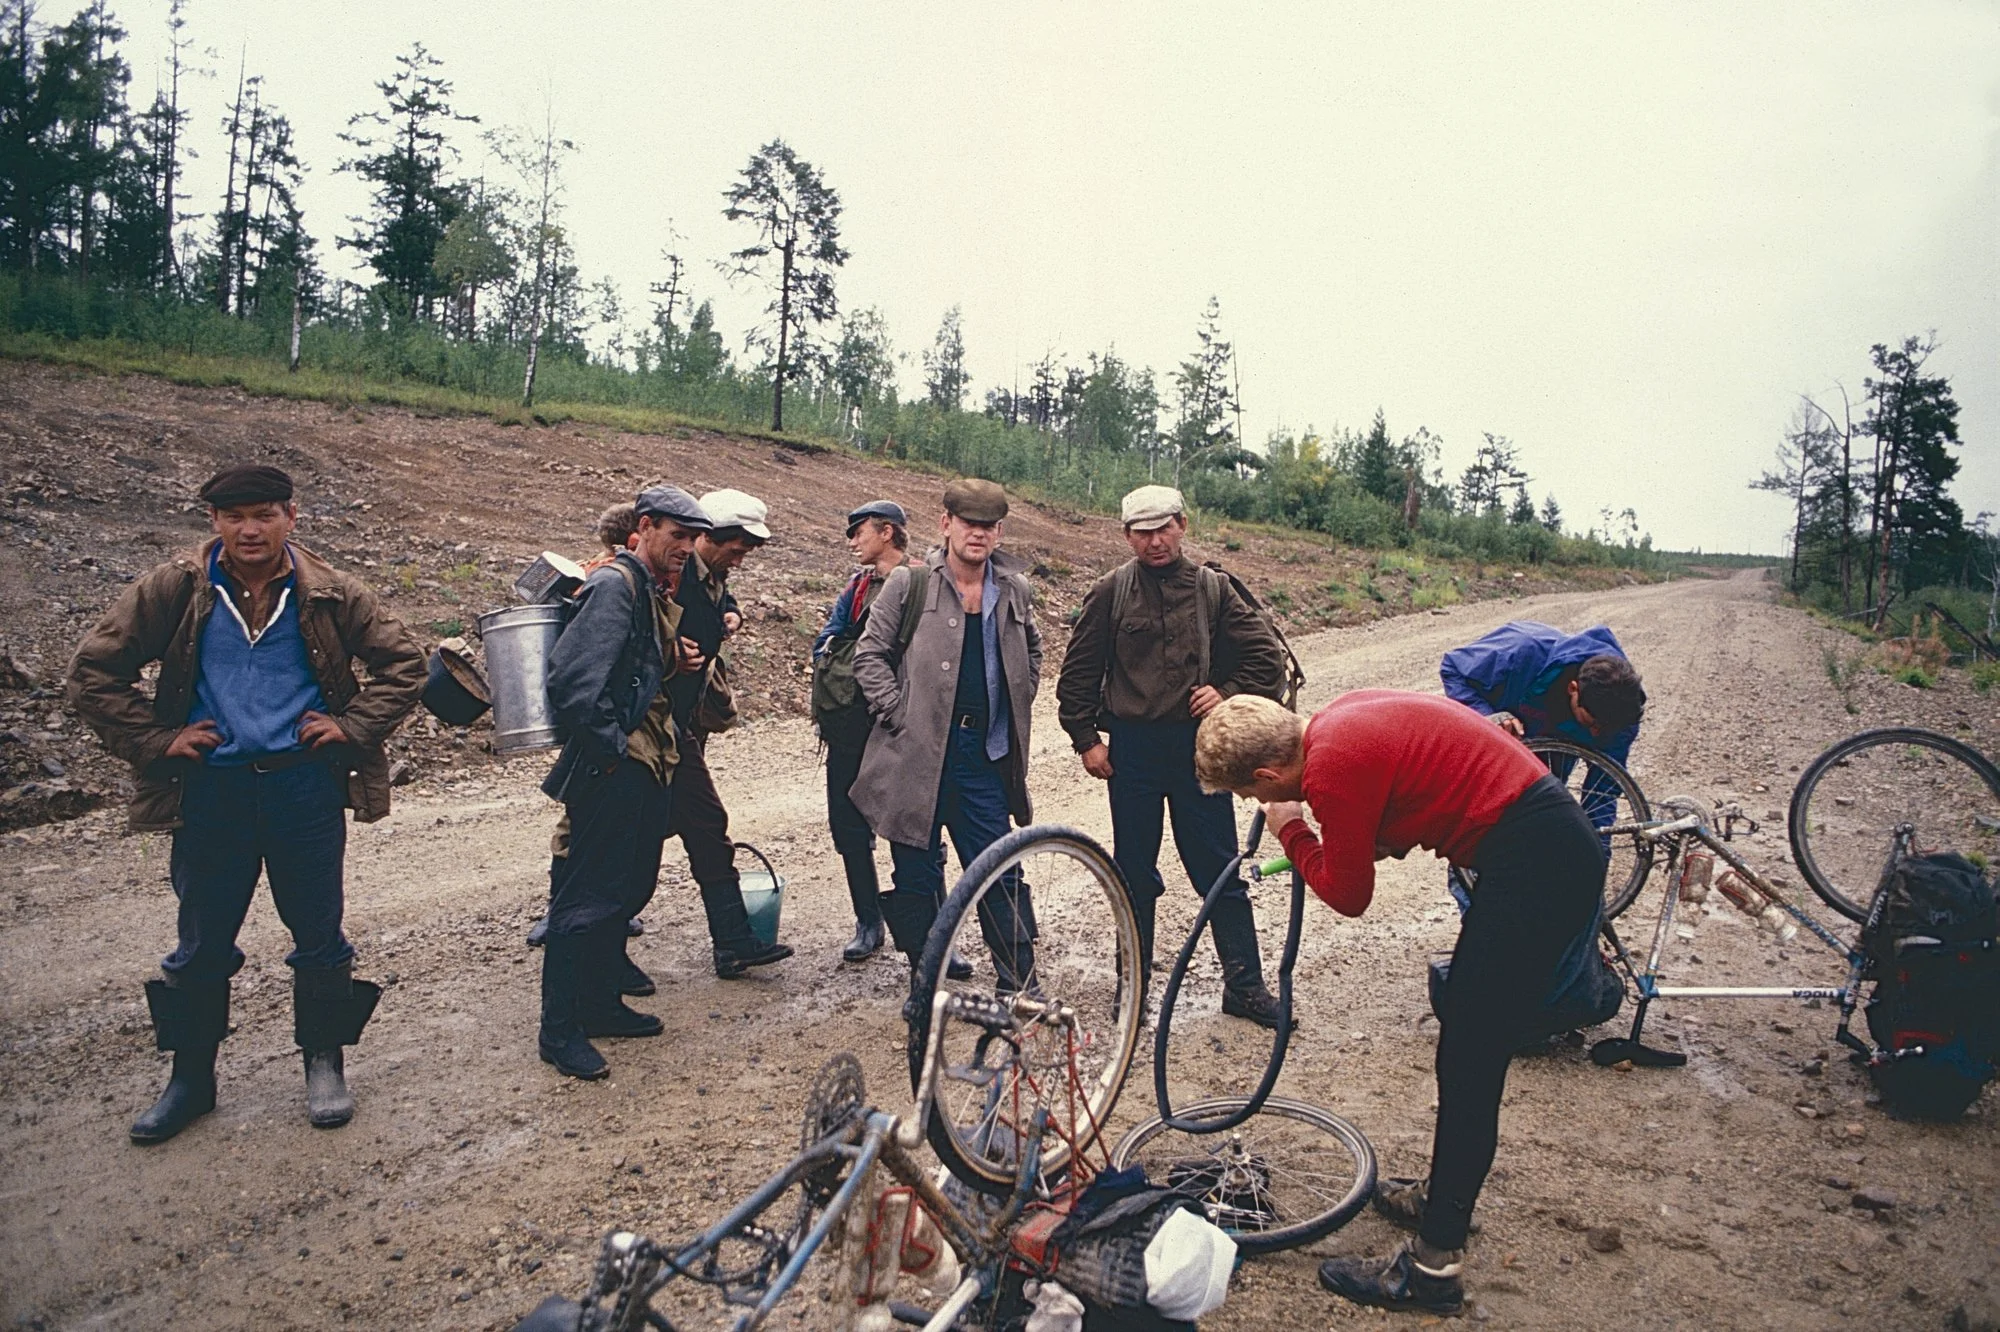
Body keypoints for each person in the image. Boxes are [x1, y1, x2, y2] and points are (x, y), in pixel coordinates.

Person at [1194, 691, 1614, 1316]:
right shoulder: (1335, 723)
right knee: (1466, 1047)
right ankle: (1439, 1198)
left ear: (1267, 775)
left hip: (1538, 861)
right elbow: (1415, 786)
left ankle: (1433, 1268)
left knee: (1471, 1059)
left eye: (1253, 795)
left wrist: (1293, 830)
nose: (1259, 804)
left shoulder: (1330, 771)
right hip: (1546, 840)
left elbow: (1349, 894)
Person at [67, 464, 425, 1143]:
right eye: (234, 517)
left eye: (263, 514)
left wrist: (349, 727)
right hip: (213, 790)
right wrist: (154, 739)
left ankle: (324, 1065)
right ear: (214, 523)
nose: (249, 529)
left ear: (292, 516)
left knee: (319, 934)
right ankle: (191, 1080)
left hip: (303, 786)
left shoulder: (330, 592)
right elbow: (93, 671)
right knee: (201, 941)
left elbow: (405, 664)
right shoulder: (176, 589)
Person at [1054, 483, 1287, 1028]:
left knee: (1219, 868)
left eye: (1164, 528)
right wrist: (1085, 739)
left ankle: (1245, 988)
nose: (1155, 541)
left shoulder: (1213, 590)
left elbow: (1267, 662)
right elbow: (1078, 674)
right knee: (1134, 874)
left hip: (1199, 752)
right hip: (1131, 755)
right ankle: (1132, 991)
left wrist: (1227, 693)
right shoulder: (1110, 592)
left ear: (1183, 525)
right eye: (1143, 532)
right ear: (1126, 536)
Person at [538, 485, 709, 1080]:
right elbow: (572, 681)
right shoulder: (616, 585)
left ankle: (600, 1002)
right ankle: (559, 1030)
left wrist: (670, 659)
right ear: (644, 527)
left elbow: (627, 669)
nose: (687, 547)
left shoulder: (648, 587)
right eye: (677, 535)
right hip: (617, 761)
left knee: (626, 885)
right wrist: (611, 750)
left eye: (693, 538)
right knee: (586, 898)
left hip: (646, 758)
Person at [850, 479, 1041, 996]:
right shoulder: (908, 586)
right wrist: (898, 715)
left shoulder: (1014, 590)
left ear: (999, 532)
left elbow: (1034, 653)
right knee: (915, 872)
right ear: (946, 525)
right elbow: (868, 657)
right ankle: (925, 975)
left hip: (984, 756)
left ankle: (1019, 982)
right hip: (916, 755)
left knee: (1000, 869)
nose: (977, 534)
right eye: (968, 523)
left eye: (988, 526)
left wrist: (1016, 701)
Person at [661, 488, 794, 979]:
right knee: (689, 828)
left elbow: (720, 590)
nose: (738, 560)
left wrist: (731, 610)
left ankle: (734, 943)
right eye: (735, 549)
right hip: (655, 727)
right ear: (708, 536)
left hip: (682, 726)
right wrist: (669, 652)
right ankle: (733, 942)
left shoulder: (710, 573)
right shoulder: (671, 578)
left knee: (697, 829)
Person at [1439, 622, 1646, 905]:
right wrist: (1489, 717)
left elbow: (1602, 797)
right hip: (1497, 745)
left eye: (1605, 730)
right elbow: (1453, 669)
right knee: (1479, 844)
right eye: (1591, 724)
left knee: (1537, 831)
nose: (1597, 735)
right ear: (1573, 689)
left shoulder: (1619, 715)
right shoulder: (1520, 651)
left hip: (1551, 753)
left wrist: (1593, 870)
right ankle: (1484, 926)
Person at [527, 499, 645, 951]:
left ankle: (582, 912)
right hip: (601, 714)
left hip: (591, 713)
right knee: (578, 821)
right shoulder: (611, 581)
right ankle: (565, 914)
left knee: (581, 818)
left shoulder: (587, 572)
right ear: (634, 537)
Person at [810, 500, 913, 962]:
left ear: (887, 532)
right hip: (851, 725)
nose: (852, 542)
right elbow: (825, 640)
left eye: (859, 533)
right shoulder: (856, 587)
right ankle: (868, 921)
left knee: (911, 830)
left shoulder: (922, 583)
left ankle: (924, 931)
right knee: (849, 825)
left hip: (901, 724)